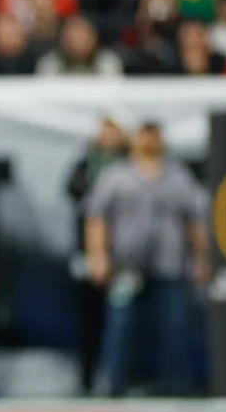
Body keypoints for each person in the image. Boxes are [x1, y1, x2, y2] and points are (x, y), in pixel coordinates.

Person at [85, 122, 209, 396]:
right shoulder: (116, 175)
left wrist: (201, 257)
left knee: (174, 326)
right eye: (145, 135)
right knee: (120, 325)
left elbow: (195, 221)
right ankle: (111, 384)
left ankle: (176, 384)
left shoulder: (178, 176)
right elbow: (97, 219)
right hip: (127, 264)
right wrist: (98, 256)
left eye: (155, 136)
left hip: (170, 262)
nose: (150, 141)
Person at [65, 114, 129, 394]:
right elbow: (74, 192)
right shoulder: (86, 164)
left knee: (123, 326)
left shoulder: (129, 166)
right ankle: (87, 379)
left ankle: (118, 380)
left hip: (124, 254)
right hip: (89, 254)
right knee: (88, 321)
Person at [36, 15, 124, 76]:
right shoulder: (49, 64)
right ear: (62, 40)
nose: (75, 43)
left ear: (93, 38)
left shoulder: (108, 62)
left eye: (81, 37)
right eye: (71, 37)